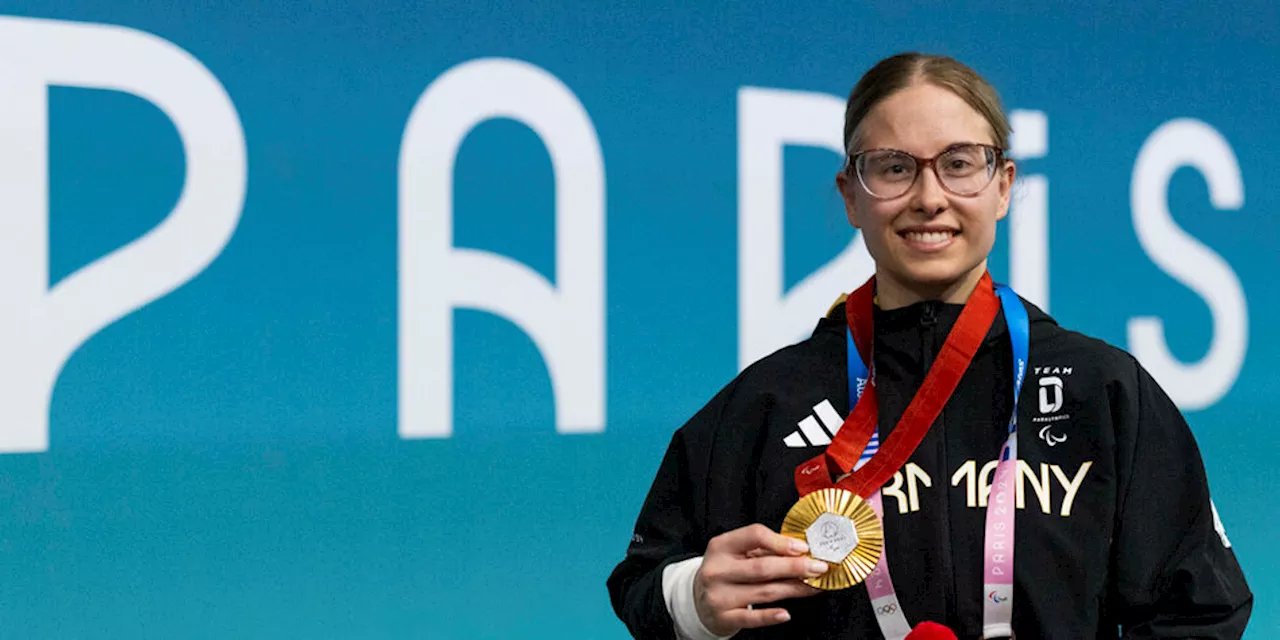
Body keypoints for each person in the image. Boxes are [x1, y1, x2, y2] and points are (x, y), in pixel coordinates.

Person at [606, 52, 1252, 639]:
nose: (929, 197)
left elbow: (1201, 609)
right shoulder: (770, 400)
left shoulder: (1101, 389)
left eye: (959, 163)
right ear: (850, 195)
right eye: (893, 168)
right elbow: (641, 582)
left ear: (1003, 185)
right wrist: (693, 599)